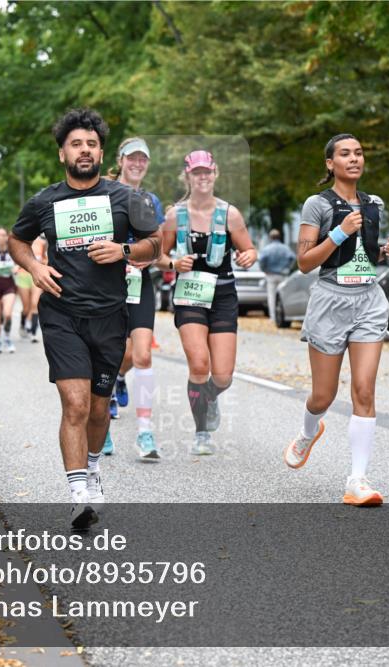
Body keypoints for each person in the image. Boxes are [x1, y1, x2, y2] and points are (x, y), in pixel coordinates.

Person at [10, 108, 159, 529]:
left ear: (100, 152)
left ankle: (93, 469)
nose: (85, 150)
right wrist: (35, 267)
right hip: (62, 315)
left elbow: (156, 241)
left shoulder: (125, 199)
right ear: (63, 153)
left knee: (98, 409)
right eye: (76, 143)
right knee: (74, 404)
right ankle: (78, 494)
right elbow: (16, 240)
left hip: (110, 317)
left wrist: (124, 251)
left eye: (92, 144)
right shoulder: (44, 201)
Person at [281, 134, 389, 505]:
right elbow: (304, 263)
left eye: (359, 153)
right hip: (330, 301)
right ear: (330, 164)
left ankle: (357, 480)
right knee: (324, 395)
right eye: (345, 154)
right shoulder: (316, 205)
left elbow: (363, 255)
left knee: (364, 391)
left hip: (368, 300)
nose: (354, 159)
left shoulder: (374, 204)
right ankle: (307, 431)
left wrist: (387, 251)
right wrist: (338, 232)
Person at [162, 150, 258, 456]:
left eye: (207, 172)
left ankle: (211, 396)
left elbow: (250, 250)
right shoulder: (174, 215)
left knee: (222, 376)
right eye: (196, 172)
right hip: (189, 294)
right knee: (200, 364)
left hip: (223, 294)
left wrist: (247, 256)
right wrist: (173, 263)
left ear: (215, 173)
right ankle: (201, 430)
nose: (202, 177)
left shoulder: (230, 214)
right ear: (187, 176)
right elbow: (158, 256)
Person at [104, 137, 168, 459]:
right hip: (106, 282)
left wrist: (162, 260)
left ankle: (145, 432)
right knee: (112, 354)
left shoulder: (150, 201)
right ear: (121, 159)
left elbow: (157, 248)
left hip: (139, 282)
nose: (138, 164)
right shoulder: (103, 192)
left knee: (142, 354)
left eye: (144, 159)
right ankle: (100, 427)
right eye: (133, 158)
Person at [259, 228, 297, 323]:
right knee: (283, 296)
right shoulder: (285, 248)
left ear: (270, 237)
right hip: (283, 274)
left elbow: (262, 260)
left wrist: (265, 270)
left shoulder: (267, 249)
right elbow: (293, 258)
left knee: (271, 296)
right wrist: (288, 268)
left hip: (271, 275)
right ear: (279, 237)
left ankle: (273, 318)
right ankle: (283, 316)